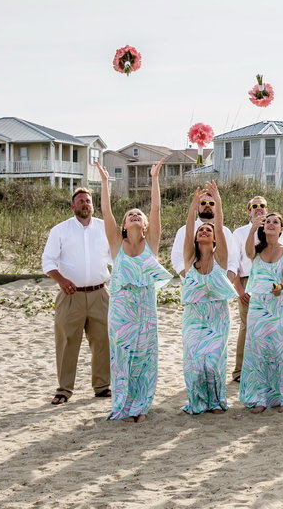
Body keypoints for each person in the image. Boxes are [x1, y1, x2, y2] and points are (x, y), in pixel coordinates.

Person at [94, 160, 171, 422]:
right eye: (130, 215)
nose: (135, 215)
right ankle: (123, 405)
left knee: (144, 358)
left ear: (146, 225)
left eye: (139, 214)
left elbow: (157, 208)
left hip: (145, 310)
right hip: (121, 310)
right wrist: (105, 183)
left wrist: (154, 178)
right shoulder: (117, 244)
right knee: (122, 357)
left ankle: (140, 406)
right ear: (125, 225)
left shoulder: (151, 243)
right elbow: (106, 214)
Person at [42, 187, 110, 405]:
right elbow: (48, 261)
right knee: (67, 342)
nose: (85, 204)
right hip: (71, 295)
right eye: (80, 201)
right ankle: (64, 390)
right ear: (73, 206)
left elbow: (116, 256)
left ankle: (102, 386)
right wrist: (61, 280)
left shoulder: (104, 227)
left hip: (99, 293)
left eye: (88, 201)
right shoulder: (60, 230)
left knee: (102, 341)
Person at [177, 186, 233, 414]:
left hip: (217, 316)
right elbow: (190, 226)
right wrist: (193, 204)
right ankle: (198, 402)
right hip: (194, 317)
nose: (204, 231)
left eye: (208, 231)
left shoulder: (221, 258)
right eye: (202, 231)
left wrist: (217, 202)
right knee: (195, 362)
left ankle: (217, 401)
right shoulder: (190, 259)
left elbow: (219, 227)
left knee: (213, 362)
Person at [239, 211, 283, 412]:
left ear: (281, 229)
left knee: (281, 350)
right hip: (258, 306)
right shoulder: (257, 250)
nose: (271, 224)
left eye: (276, 222)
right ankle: (259, 398)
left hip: (278, 304)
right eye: (268, 222)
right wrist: (253, 227)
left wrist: (281, 286)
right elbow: (246, 253)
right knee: (258, 351)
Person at [228, 195, 283, 382]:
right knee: (247, 326)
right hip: (247, 282)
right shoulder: (240, 233)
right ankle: (240, 371)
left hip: (271, 284)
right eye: (255, 206)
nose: (259, 208)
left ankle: (268, 369)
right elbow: (234, 261)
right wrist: (239, 289)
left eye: (262, 206)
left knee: (271, 327)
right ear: (248, 211)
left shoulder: (276, 229)